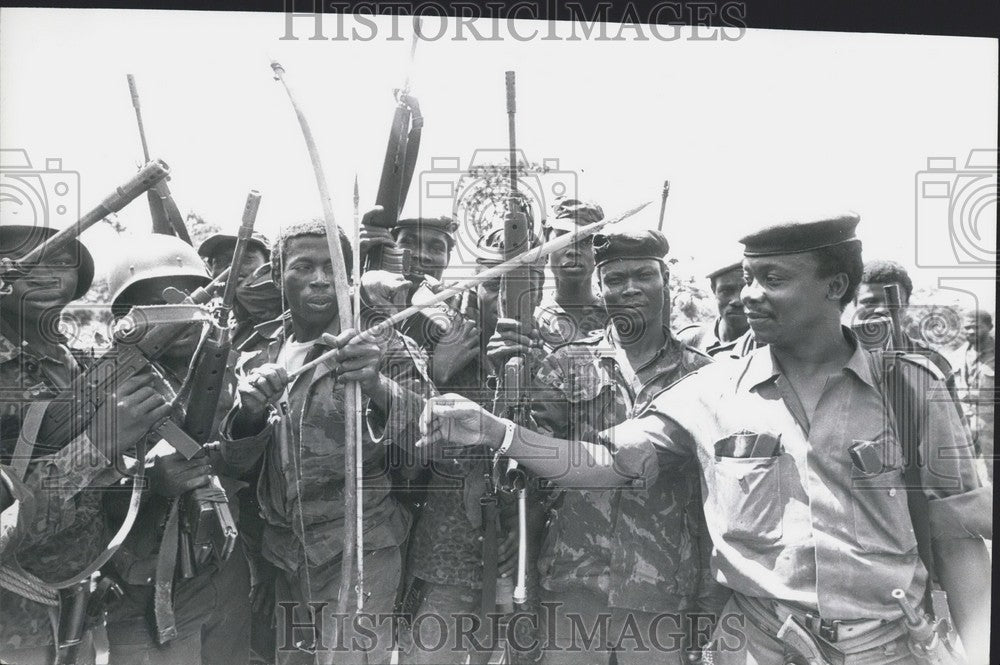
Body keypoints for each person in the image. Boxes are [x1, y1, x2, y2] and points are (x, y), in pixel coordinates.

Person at [420, 213, 992, 664]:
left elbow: (960, 539)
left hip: (888, 647)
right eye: (748, 279)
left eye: (773, 279)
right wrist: (498, 430)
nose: (750, 296)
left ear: (835, 285)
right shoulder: (710, 390)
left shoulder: (912, 389)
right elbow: (605, 460)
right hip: (760, 644)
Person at [508, 228, 724, 665]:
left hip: (662, 584)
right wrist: (510, 388)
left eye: (644, 275)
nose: (629, 289)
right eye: (615, 279)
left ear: (666, 280)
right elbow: (531, 467)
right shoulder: (565, 363)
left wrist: (708, 595)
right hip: (574, 579)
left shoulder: (705, 376)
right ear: (600, 288)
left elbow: (716, 492)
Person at [220, 220, 431, 665]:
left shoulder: (381, 344)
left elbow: (429, 439)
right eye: (303, 266)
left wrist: (376, 385)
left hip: (359, 550)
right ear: (277, 275)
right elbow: (235, 465)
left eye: (331, 268)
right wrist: (250, 413)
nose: (320, 279)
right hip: (284, 554)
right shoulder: (257, 352)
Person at [1, 224, 166, 665]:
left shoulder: (72, 359)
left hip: (77, 602)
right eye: (28, 259)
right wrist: (100, 442)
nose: (47, 273)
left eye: (60, 259)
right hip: (12, 619)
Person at [396, 224, 546, 665]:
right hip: (444, 556)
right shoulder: (440, 340)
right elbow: (404, 454)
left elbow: (571, 459)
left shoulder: (554, 356)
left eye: (525, 288)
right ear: (475, 285)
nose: (506, 303)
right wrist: (437, 375)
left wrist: (528, 525)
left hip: (519, 557)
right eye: (495, 286)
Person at [101, 235, 252, 665]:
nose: (182, 314)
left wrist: (253, 419)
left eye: (190, 298)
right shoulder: (105, 388)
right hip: (148, 588)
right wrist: (150, 483)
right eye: (159, 303)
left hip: (222, 571)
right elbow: (75, 495)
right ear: (127, 318)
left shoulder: (227, 372)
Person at [853, 259, 959, 400]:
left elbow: (951, 414)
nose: (882, 309)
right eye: (870, 302)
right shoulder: (836, 358)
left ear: (906, 306)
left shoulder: (933, 361)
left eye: (893, 302)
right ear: (854, 304)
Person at [533, 199, 608, 349]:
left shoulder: (615, 314)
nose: (573, 251)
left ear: (598, 250)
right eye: (563, 239)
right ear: (547, 246)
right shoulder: (533, 321)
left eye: (585, 241)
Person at [951, 310, 995, 481]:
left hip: (991, 425)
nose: (970, 331)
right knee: (962, 471)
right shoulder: (956, 356)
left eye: (975, 327)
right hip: (963, 423)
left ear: (990, 327)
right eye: (967, 327)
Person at [677, 260, 750, 356]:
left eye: (745, 291)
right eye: (726, 291)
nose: (737, 301)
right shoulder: (688, 341)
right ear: (713, 289)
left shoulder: (767, 348)